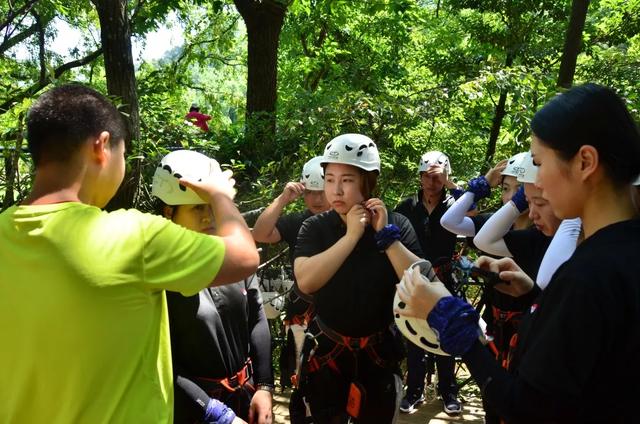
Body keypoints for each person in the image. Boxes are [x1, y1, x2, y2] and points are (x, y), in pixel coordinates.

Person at [0, 84, 260, 423]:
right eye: (123, 155)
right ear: (101, 146)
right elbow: (244, 256)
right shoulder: (133, 237)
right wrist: (221, 196)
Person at [396, 83, 640, 423]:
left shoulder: (588, 275)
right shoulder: (617, 256)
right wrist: (533, 296)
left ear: (585, 162)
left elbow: (526, 408)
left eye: (539, 163)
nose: (535, 184)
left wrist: (448, 317)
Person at [294, 133, 423, 423]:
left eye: (347, 180)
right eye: (329, 179)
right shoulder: (315, 227)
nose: (336, 190)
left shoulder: (396, 225)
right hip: (328, 354)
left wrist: (387, 237)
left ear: (368, 181)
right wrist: (352, 235)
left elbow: (420, 283)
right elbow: (306, 280)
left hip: (378, 354)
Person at [152, 150, 274, 424]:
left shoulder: (229, 258)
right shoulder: (156, 273)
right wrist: (213, 412)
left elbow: (256, 316)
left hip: (245, 398)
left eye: (212, 206)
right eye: (198, 208)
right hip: (194, 410)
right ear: (169, 211)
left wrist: (265, 386)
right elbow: (159, 360)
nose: (210, 217)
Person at [252, 155, 330, 423]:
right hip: (304, 312)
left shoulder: (349, 221)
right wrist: (283, 199)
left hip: (340, 310)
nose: (317, 200)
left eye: (322, 192)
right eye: (310, 193)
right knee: (303, 374)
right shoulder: (298, 220)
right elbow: (260, 233)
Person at [394, 151, 463, 416]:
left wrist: (452, 185)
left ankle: (448, 391)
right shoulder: (407, 207)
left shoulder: (455, 203)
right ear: (420, 177)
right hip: (415, 277)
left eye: (437, 177)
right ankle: (415, 390)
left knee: (446, 333)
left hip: (445, 277)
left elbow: (475, 210)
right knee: (414, 334)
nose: (431, 182)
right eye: (427, 176)